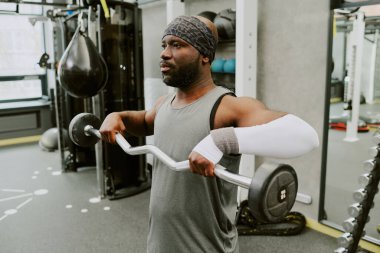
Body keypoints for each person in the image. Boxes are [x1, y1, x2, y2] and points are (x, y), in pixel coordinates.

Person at [99, 15, 319, 253]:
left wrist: (219, 141)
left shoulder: (226, 107)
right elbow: (143, 121)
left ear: (205, 55)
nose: (164, 53)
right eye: (164, 45)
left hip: (207, 247)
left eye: (177, 44)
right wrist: (118, 116)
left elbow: (305, 135)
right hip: (161, 243)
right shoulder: (164, 103)